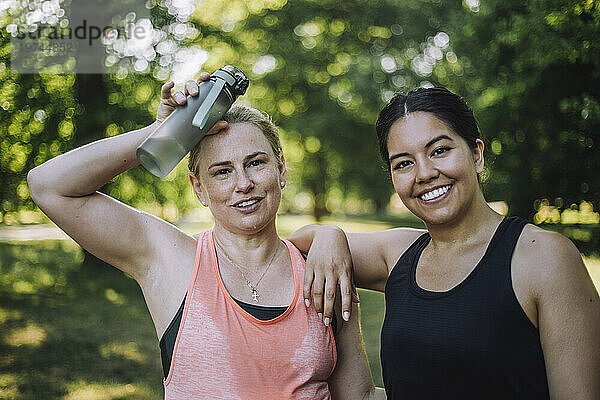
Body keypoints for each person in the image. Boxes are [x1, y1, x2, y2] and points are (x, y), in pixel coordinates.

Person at [27, 73, 385, 399]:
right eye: (222, 171)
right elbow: (49, 186)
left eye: (256, 163)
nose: (243, 184)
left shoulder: (322, 269)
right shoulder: (169, 258)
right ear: (199, 189)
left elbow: (359, 396)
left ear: (281, 171)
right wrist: (159, 132)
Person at [289, 87, 600, 399]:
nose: (424, 173)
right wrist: (329, 234)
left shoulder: (544, 257)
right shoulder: (397, 255)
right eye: (403, 163)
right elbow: (287, 249)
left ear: (476, 154)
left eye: (439, 151)